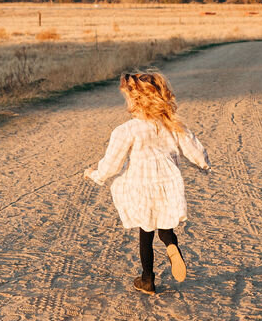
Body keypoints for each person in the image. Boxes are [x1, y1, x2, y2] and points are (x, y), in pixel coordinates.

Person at [84, 71, 210, 295]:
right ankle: (172, 246)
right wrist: (204, 164)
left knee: (146, 232)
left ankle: (147, 279)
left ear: (135, 100)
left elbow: (112, 163)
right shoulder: (171, 124)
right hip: (168, 184)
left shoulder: (127, 130)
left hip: (141, 187)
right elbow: (193, 147)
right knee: (165, 228)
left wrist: (96, 174)